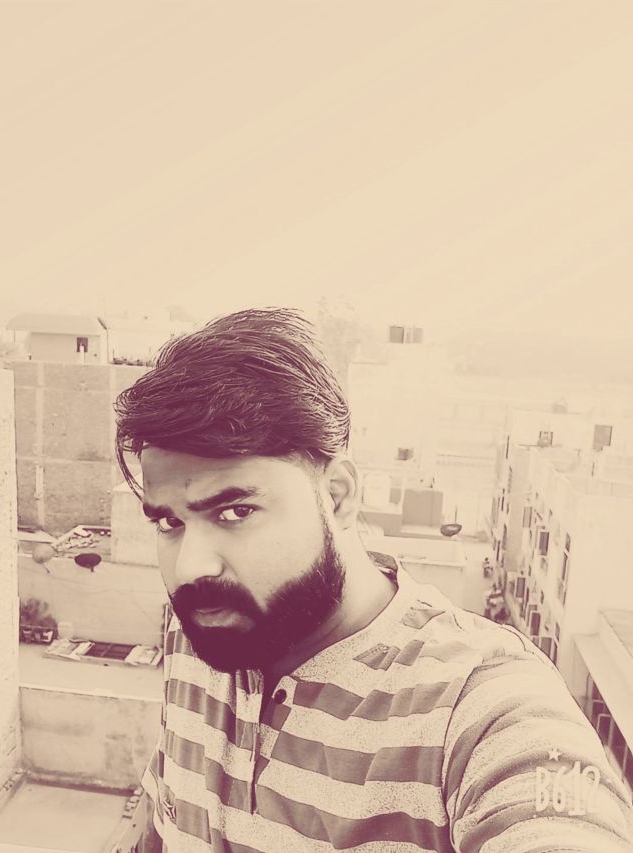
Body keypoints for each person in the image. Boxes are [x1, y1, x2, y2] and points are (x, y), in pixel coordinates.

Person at [114, 308, 633, 852]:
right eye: (169, 522)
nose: (190, 567)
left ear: (337, 496)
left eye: (235, 512)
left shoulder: (479, 704)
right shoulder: (203, 633)